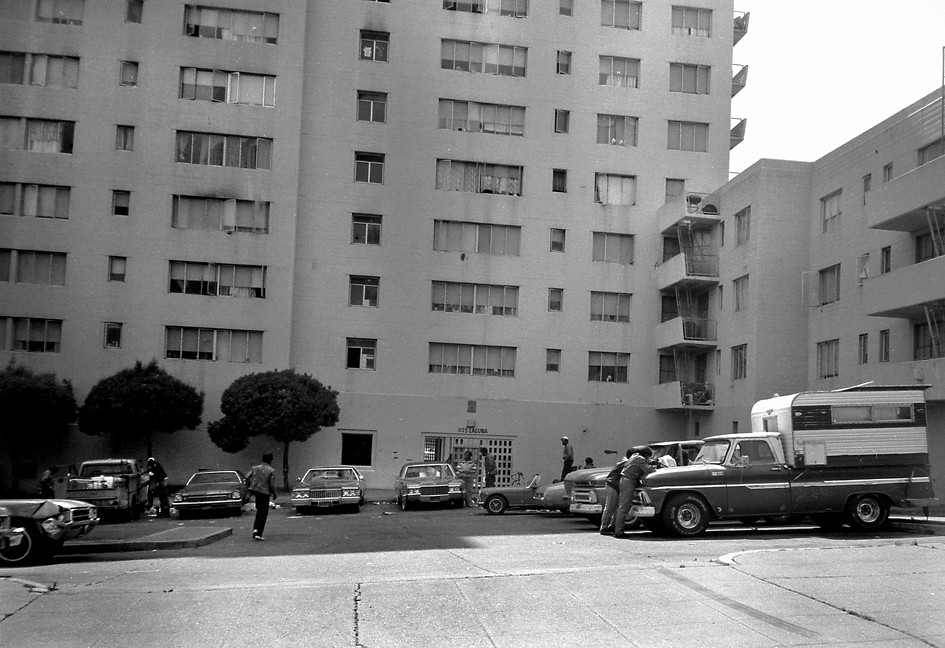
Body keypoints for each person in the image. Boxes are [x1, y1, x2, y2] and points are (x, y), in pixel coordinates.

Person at [613, 446, 656, 539]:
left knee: (622, 506)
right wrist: (653, 465)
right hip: (629, 482)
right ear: (645, 455)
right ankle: (618, 531)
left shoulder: (635, 456)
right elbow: (649, 470)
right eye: (648, 456)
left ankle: (616, 528)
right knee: (624, 506)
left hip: (625, 480)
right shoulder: (640, 459)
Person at [245, 452, 278, 540]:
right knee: (263, 513)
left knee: (259, 511)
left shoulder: (254, 468)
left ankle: (255, 529)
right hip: (265, 492)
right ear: (271, 460)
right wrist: (274, 493)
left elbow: (247, 477)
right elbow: (271, 485)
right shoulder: (271, 470)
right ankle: (259, 533)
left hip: (256, 491)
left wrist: (249, 487)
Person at [599, 450, 632, 535]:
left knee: (615, 508)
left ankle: (612, 526)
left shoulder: (623, 461)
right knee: (610, 507)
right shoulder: (626, 463)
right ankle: (604, 527)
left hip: (613, 484)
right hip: (613, 485)